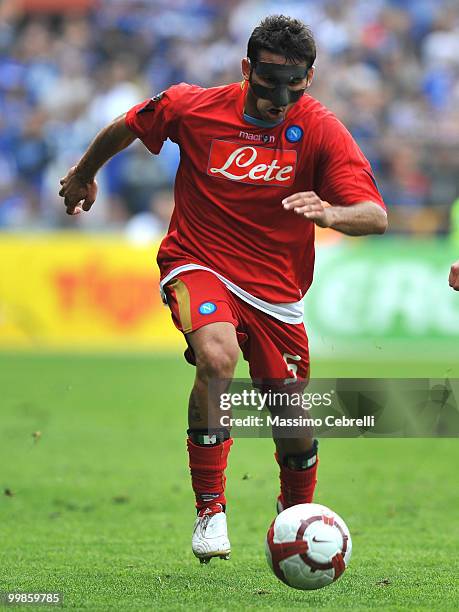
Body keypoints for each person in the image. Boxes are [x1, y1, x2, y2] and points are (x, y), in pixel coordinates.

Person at [59, 15, 387, 564]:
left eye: (295, 85)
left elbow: (375, 215)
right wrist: (84, 172)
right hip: (197, 260)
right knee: (216, 355)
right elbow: (128, 124)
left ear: (310, 76)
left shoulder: (322, 128)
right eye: (268, 83)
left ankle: (294, 522)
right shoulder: (193, 106)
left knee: (291, 420)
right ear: (246, 69)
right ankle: (211, 508)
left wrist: (331, 213)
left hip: (276, 292)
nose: (280, 99)